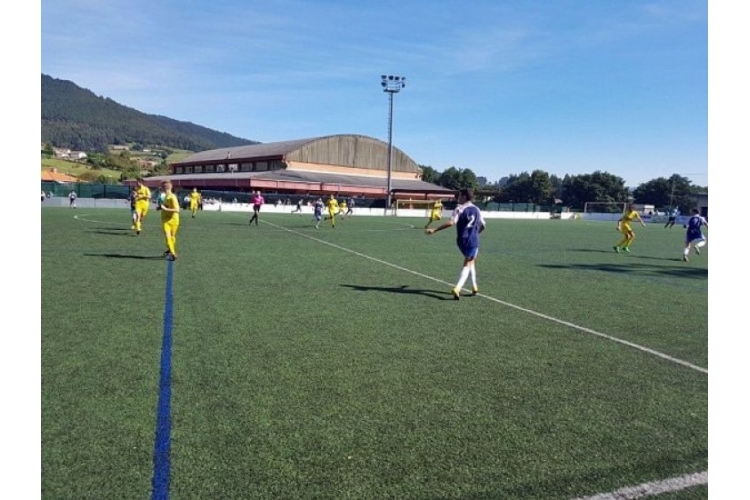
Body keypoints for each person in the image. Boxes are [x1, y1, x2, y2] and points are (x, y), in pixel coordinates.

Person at [425, 188, 486, 300]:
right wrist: (475, 233)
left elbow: (452, 222)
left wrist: (435, 230)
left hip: (461, 241)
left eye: (459, 196)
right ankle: (457, 288)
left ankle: (474, 287)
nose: (458, 198)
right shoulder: (477, 209)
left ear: (464, 197)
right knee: (468, 263)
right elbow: (483, 225)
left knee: (470, 260)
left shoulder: (459, 209)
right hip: (473, 240)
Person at [157, 181, 180, 261]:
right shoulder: (165, 196)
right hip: (165, 220)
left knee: (172, 237)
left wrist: (166, 209)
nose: (160, 188)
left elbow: (177, 210)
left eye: (161, 187)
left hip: (173, 219)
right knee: (168, 236)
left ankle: (170, 249)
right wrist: (160, 207)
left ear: (165, 187)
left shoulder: (172, 197)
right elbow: (165, 206)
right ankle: (173, 253)